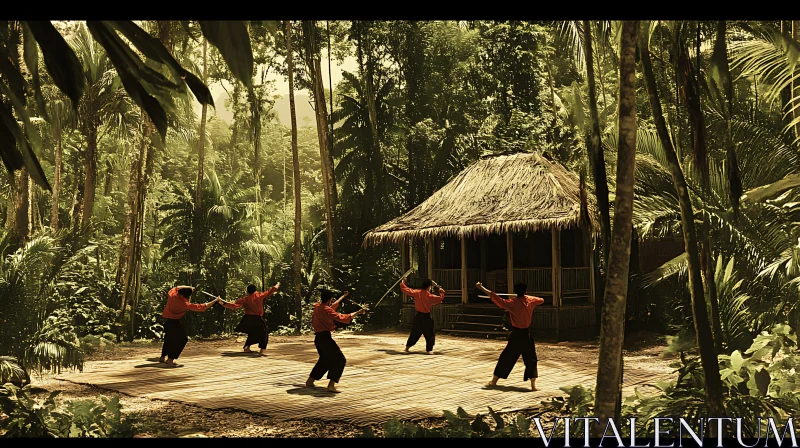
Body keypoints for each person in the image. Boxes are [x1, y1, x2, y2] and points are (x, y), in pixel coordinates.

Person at [476, 281, 544, 391]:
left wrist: (481, 287)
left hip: (517, 334)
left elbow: (495, 297)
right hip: (525, 334)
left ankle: (494, 381)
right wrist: (526, 296)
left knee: (507, 357)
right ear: (525, 291)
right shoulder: (530, 301)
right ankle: (533, 386)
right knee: (530, 358)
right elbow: (541, 300)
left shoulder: (512, 303)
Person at [305, 289, 366, 393]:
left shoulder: (317, 307)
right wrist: (358, 312)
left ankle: (310, 381)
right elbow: (341, 317)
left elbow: (330, 306)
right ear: (330, 299)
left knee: (325, 359)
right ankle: (331, 385)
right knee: (340, 359)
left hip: (319, 339)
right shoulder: (325, 309)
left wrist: (343, 296)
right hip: (325, 338)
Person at [160, 286, 219, 366]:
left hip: (166, 320)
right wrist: (215, 300)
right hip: (173, 322)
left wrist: (190, 287)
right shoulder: (184, 304)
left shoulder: (173, 295)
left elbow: (176, 288)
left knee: (169, 338)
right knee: (182, 339)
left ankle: (163, 357)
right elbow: (201, 307)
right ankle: (170, 359)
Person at [219, 283, 280, 356]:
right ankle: (261, 350)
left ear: (248, 291)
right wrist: (276, 286)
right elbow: (269, 291)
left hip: (247, 319)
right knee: (264, 332)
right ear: (255, 290)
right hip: (256, 318)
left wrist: (222, 303)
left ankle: (247, 348)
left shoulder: (245, 299)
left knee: (253, 332)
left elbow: (234, 305)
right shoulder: (259, 296)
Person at [399, 277, 445, 354]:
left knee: (415, 332)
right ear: (429, 287)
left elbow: (406, 289)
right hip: (426, 317)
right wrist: (441, 291)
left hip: (419, 316)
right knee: (430, 333)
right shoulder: (429, 296)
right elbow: (440, 298)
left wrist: (403, 282)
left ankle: (407, 348)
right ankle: (429, 350)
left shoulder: (417, 293)